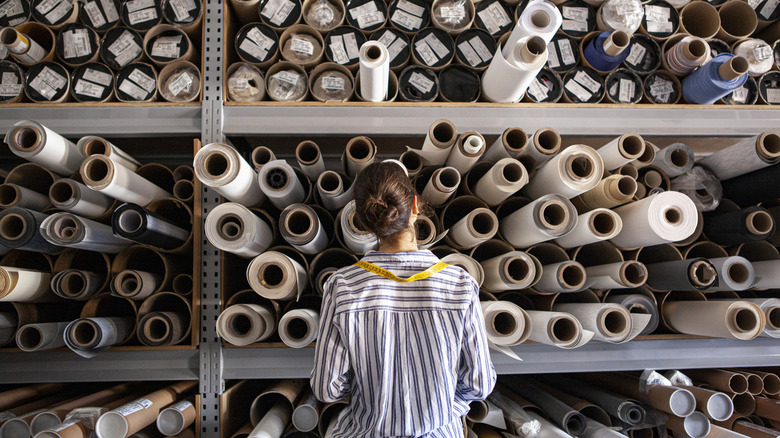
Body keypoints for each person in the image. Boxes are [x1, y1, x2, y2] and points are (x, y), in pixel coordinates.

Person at [310, 161, 496, 438]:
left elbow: (327, 388)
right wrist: (442, 410)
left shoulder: (343, 286)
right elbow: (479, 384)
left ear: (362, 220)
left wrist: (372, 390)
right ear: (416, 206)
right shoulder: (459, 285)